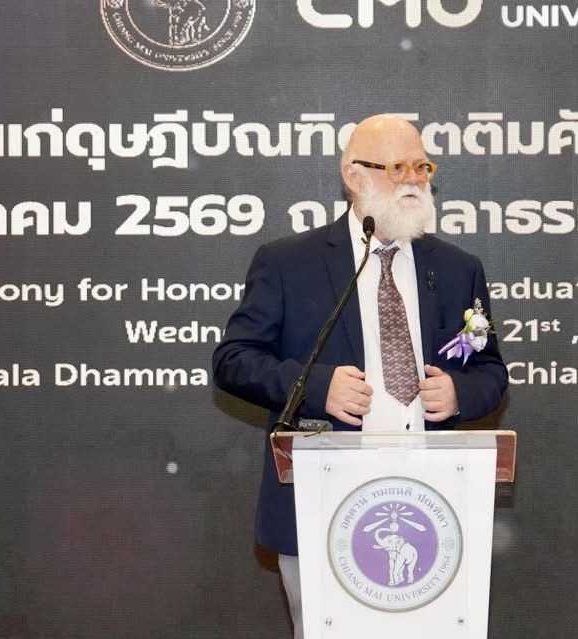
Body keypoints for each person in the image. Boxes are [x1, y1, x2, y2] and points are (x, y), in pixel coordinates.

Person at [212, 114, 507, 638]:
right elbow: (233, 360)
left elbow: (489, 370)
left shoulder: (458, 269)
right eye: (398, 168)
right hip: (324, 496)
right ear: (354, 175)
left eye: (422, 167)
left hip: (430, 500)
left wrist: (459, 392)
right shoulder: (288, 262)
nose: (414, 181)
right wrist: (316, 388)